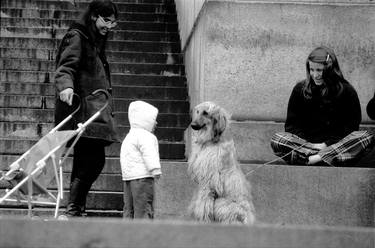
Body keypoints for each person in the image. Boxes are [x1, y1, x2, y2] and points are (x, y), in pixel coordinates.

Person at [54, 0, 119, 218]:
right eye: (106, 20)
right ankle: (74, 208)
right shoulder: (78, 36)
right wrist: (66, 86)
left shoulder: (95, 40)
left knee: (90, 159)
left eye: (113, 22)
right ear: (93, 16)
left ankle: (76, 208)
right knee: (90, 159)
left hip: (95, 111)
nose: (109, 26)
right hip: (83, 110)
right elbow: (65, 66)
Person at [270, 46, 374, 166]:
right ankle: (323, 157)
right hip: (307, 146)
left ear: (330, 69)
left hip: (335, 145)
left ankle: (312, 159)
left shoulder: (347, 91)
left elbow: (350, 128)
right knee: (278, 140)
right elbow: (291, 126)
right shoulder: (300, 90)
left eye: (319, 70)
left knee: (364, 137)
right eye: (311, 70)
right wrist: (311, 145)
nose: (315, 75)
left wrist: (326, 145)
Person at [120, 101, 162, 219]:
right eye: (153, 119)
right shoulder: (146, 136)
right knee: (143, 207)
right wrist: (155, 169)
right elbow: (149, 153)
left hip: (128, 179)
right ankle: (144, 232)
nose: (156, 122)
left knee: (129, 208)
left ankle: (127, 231)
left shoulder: (129, 136)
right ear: (145, 120)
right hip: (143, 178)